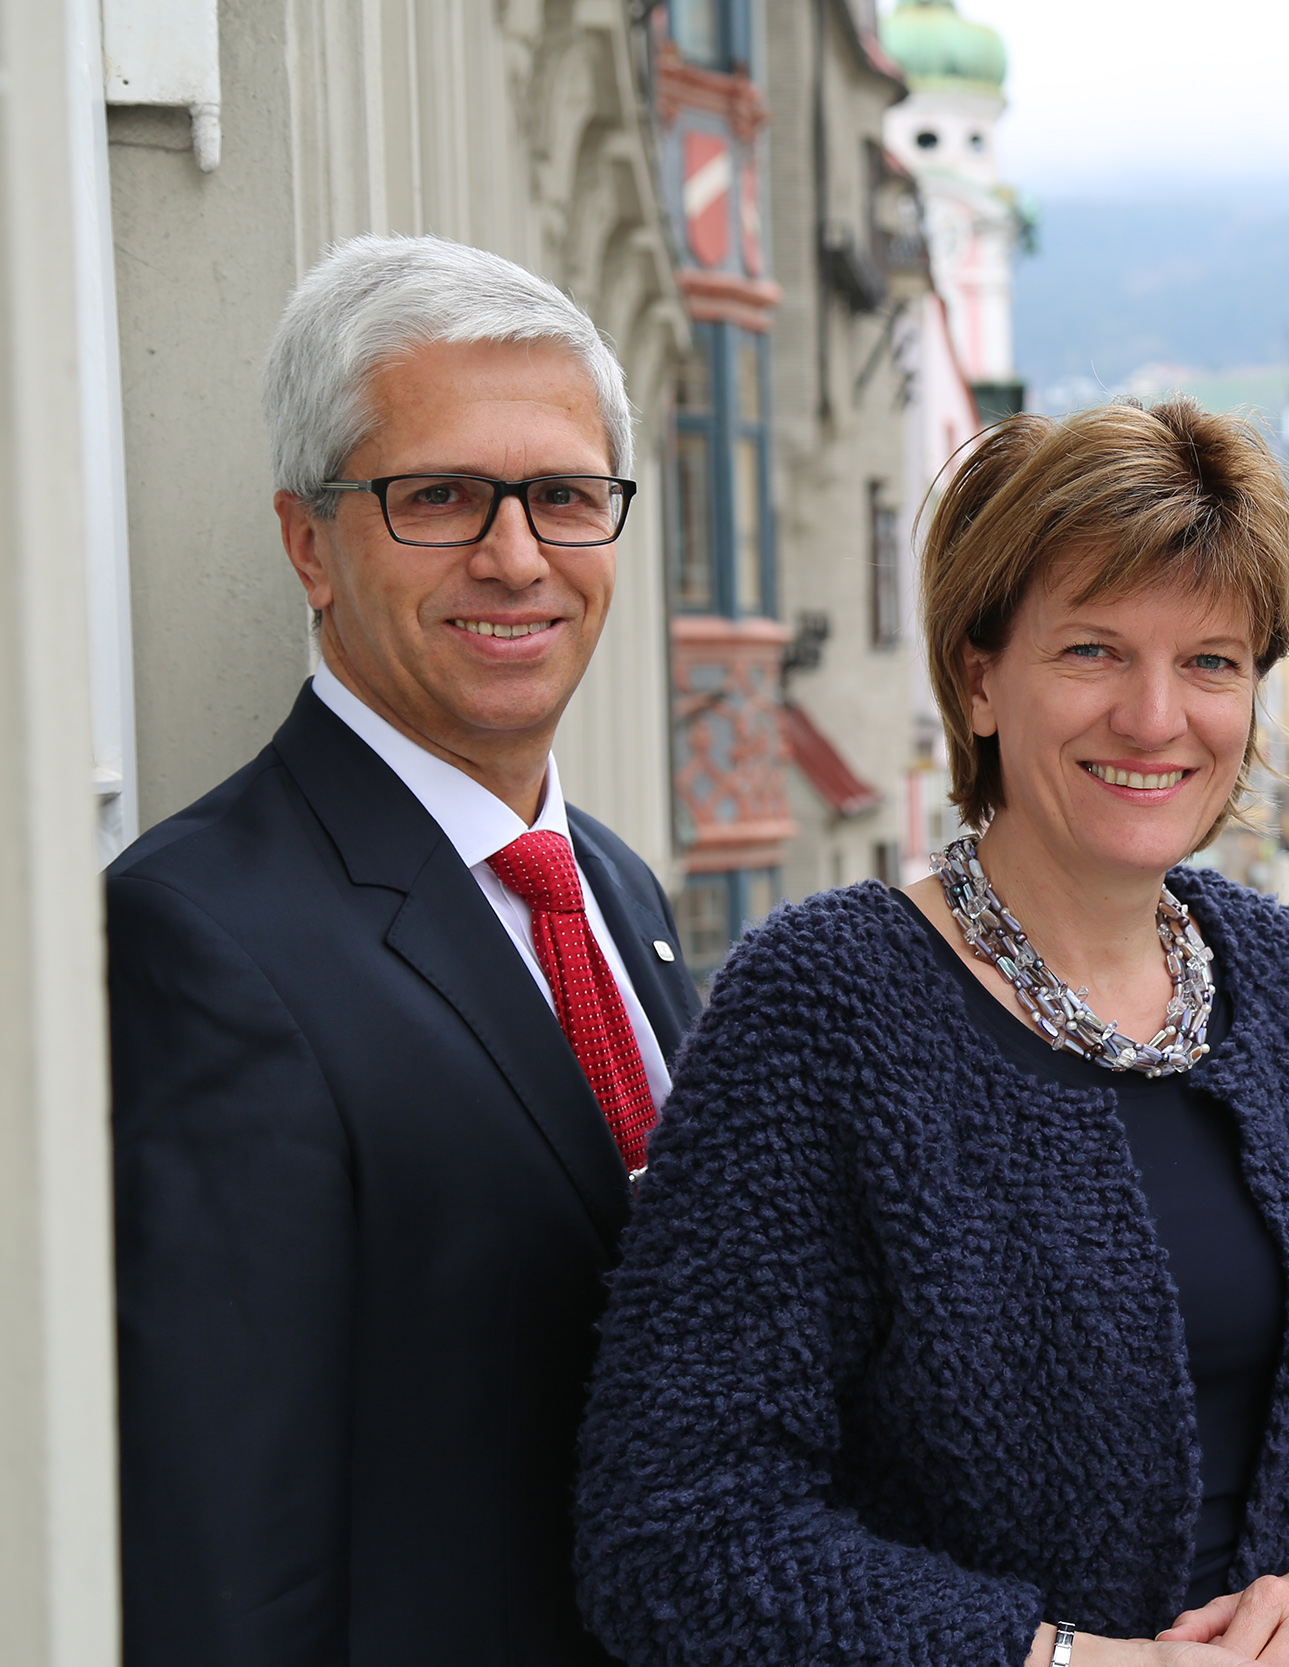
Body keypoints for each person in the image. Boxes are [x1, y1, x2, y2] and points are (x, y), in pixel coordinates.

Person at [575, 398, 1289, 1667]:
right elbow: (678, 1529)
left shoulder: (1283, 978)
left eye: (1210, 662)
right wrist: (1077, 1662)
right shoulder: (825, 1006)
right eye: (1091, 651)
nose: (1154, 717)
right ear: (979, 678)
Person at [106, 235, 697, 1666]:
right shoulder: (199, 935)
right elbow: (226, 1544)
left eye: (563, 496)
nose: (516, 556)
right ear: (310, 542)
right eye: (438, 497)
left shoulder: (614, 888)